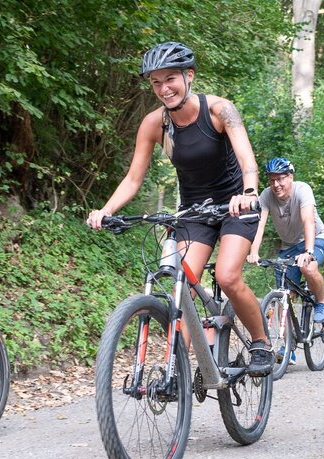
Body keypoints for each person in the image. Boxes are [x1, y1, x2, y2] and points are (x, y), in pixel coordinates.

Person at [87, 41, 273, 376]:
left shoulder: (219, 110)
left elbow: (248, 160)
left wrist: (248, 191)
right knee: (182, 284)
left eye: (170, 78)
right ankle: (178, 368)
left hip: (235, 206)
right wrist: (105, 210)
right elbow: (133, 178)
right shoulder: (154, 124)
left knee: (228, 275)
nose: (163, 88)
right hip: (193, 212)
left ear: (189, 76)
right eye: (155, 83)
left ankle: (260, 342)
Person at [247, 157, 324, 362]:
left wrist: (309, 251)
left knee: (309, 269)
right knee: (284, 297)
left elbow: (308, 221)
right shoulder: (267, 196)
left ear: (290, 177)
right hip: (289, 247)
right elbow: (259, 225)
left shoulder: (303, 190)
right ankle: (288, 347)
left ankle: (320, 303)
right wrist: (253, 251)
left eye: (280, 179)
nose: (276, 184)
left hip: (316, 238)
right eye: (272, 179)